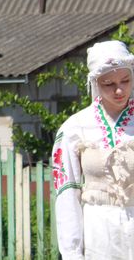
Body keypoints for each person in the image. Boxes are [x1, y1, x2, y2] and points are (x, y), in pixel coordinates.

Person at [51, 40, 134, 260]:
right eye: (109, 83)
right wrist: (71, 252)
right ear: (95, 83)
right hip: (98, 234)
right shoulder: (74, 128)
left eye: (125, 80)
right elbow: (67, 194)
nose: (119, 90)